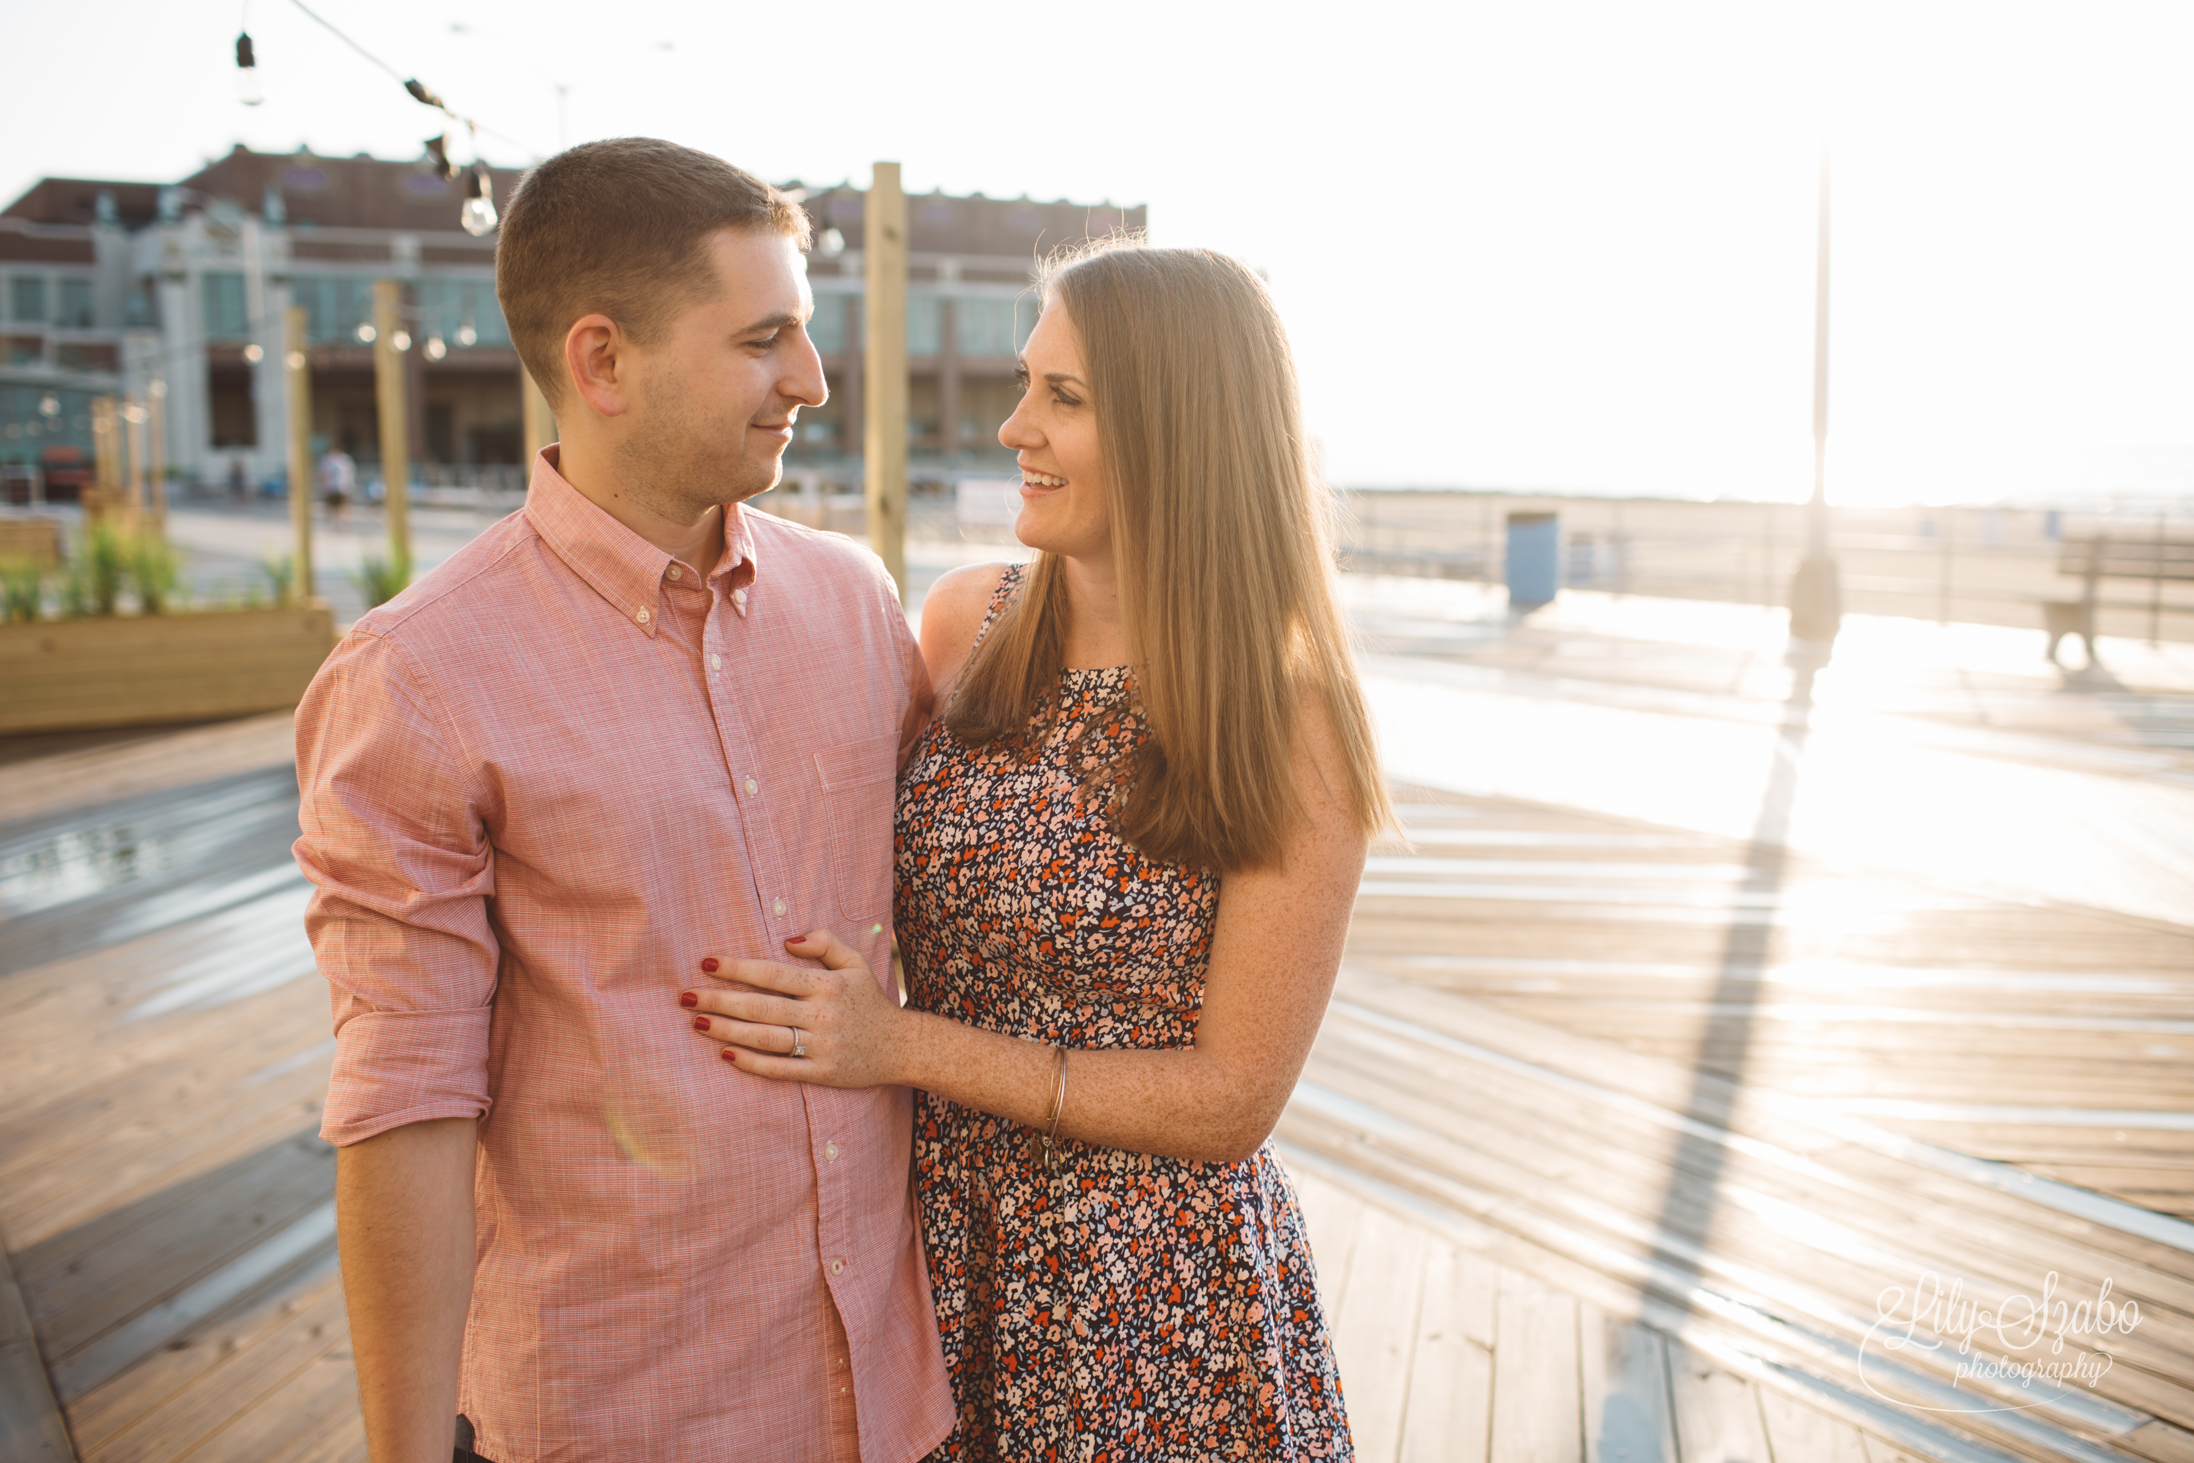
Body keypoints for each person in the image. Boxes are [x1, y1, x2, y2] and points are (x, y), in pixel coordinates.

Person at [292, 138, 955, 1463]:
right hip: (621, 1412)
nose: (809, 382)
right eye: (765, 337)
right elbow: (406, 1101)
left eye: (806, 334)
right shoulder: (417, 677)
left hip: (895, 1402)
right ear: (601, 361)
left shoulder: (857, 604)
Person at [682, 242, 1388, 1458]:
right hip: (933, 1248)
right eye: (1026, 383)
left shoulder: (1289, 717)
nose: (1014, 426)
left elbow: (1233, 1097)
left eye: (1064, 398)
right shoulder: (969, 622)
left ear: (1182, 428)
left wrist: (899, 1043)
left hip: (1152, 1296)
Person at [317, 444, 355, 518]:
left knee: (342, 506)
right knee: (331, 505)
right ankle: (334, 520)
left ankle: (341, 520)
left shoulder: (345, 459)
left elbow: (350, 473)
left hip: (342, 486)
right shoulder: (327, 460)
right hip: (331, 486)